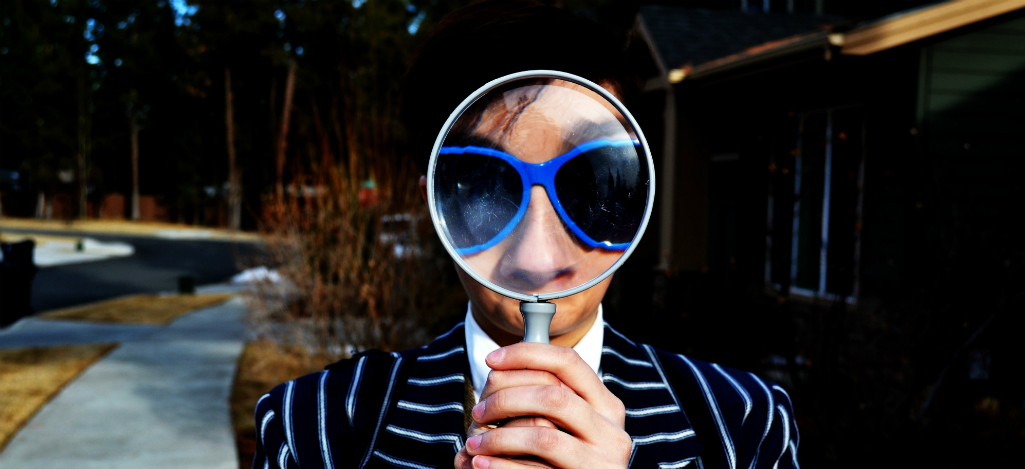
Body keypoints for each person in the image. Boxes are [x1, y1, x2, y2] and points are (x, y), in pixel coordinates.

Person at [252, 2, 799, 469]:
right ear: (434, 208)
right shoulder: (316, 427)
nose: (537, 261)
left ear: (637, 194)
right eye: (487, 189)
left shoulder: (744, 426)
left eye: (589, 182)